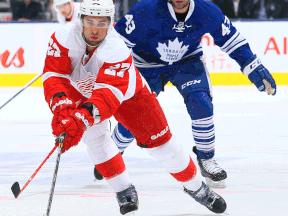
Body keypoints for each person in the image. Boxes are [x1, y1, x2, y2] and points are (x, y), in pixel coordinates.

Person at [42, 0, 227, 214]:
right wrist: (63, 111)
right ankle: (124, 190)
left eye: (102, 23)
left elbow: (106, 97)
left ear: (110, 23)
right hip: (81, 89)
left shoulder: (116, 48)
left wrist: (80, 119)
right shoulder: (62, 38)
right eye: (90, 21)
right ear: (80, 20)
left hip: (128, 95)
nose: (95, 29)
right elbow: (54, 77)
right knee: (95, 139)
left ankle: (197, 188)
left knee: (163, 145)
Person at [92, 0, 277, 189]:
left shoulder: (207, 10)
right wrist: (100, 73)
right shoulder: (146, 9)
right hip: (146, 65)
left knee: (201, 103)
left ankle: (207, 159)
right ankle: (113, 152)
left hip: (187, 62)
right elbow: (116, 44)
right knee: (134, 119)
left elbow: (232, 41)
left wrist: (254, 66)